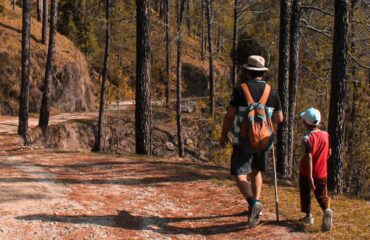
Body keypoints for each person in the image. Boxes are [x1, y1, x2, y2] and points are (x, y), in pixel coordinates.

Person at [219, 55, 283, 227]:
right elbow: (279, 118)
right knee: (256, 172)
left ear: (248, 71)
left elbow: (229, 116)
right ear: (262, 72)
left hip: (242, 139)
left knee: (240, 174)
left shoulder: (240, 90)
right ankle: (258, 205)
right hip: (264, 140)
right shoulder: (272, 91)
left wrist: (224, 134)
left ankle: (253, 203)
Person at [299, 107, 333, 231]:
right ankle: (327, 210)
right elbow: (329, 152)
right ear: (318, 122)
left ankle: (308, 216)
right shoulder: (326, 135)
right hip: (322, 172)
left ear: (305, 122)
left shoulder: (307, 139)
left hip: (306, 172)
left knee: (306, 193)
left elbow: (308, 157)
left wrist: (309, 177)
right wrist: (322, 160)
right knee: (322, 195)